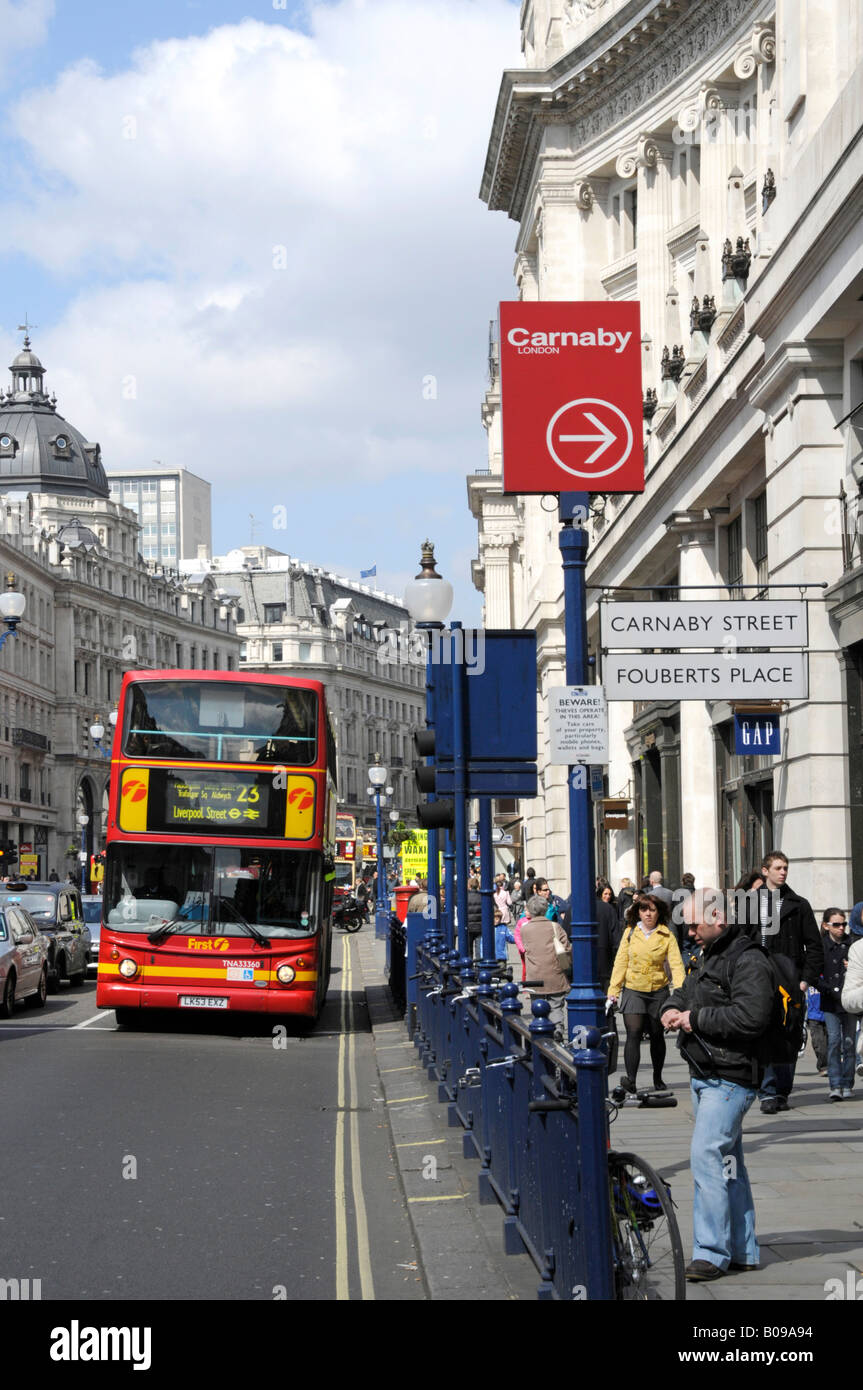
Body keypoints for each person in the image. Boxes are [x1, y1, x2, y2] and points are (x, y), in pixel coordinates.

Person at [661, 889, 774, 1281]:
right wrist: (671, 1008)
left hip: (731, 1077)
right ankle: (743, 1248)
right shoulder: (707, 954)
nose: (689, 931)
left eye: (695, 924)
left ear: (719, 920)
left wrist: (696, 1019)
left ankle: (710, 1252)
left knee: (706, 1156)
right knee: (729, 1165)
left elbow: (751, 1017)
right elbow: (684, 991)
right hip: (707, 1072)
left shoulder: (748, 960)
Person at [744, 851, 823, 1114]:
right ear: (765, 871)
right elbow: (739, 940)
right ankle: (767, 1092)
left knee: (788, 1035)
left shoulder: (799, 905)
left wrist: (804, 980)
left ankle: (782, 1090)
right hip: (759, 979)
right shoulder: (750, 903)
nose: (783, 872)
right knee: (763, 1034)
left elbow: (814, 946)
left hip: (790, 980)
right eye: (778, 868)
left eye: (785, 868)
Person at [607, 893, 685, 1092]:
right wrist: (613, 991)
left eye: (652, 910)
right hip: (634, 989)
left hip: (658, 990)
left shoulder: (667, 935)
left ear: (659, 912)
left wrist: (680, 994)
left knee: (657, 1035)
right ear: (638, 912)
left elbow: (676, 965)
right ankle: (631, 1080)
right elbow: (620, 962)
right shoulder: (630, 933)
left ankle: (657, 1077)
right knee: (633, 1033)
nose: (648, 914)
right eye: (644, 910)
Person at [520, 894, 572, 1034]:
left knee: (537, 1006)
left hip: (535, 976)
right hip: (555, 973)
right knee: (555, 1006)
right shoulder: (555, 927)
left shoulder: (525, 929)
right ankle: (558, 1030)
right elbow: (566, 948)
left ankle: (540, 1032)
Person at [819, 908, 855, 1100]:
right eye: (836, 924)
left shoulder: (852, 944)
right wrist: (830, 990)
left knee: (849, 1043)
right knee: (834, 1041)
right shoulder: (821, 945)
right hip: (831, 1002)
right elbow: (815, 973)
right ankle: (835, 1084)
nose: (841, 928)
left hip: (849, 1001)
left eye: (844, 924)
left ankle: (848, 1082)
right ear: (826, 925)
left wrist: (855, 967)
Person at [467, 876, 483, 956]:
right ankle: (478, 963)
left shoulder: (465, 897)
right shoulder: (481, 897)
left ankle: (469, 964)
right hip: (480, 926)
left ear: (469, 886)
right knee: (478, 948)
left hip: (468, 926)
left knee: (468, 948)